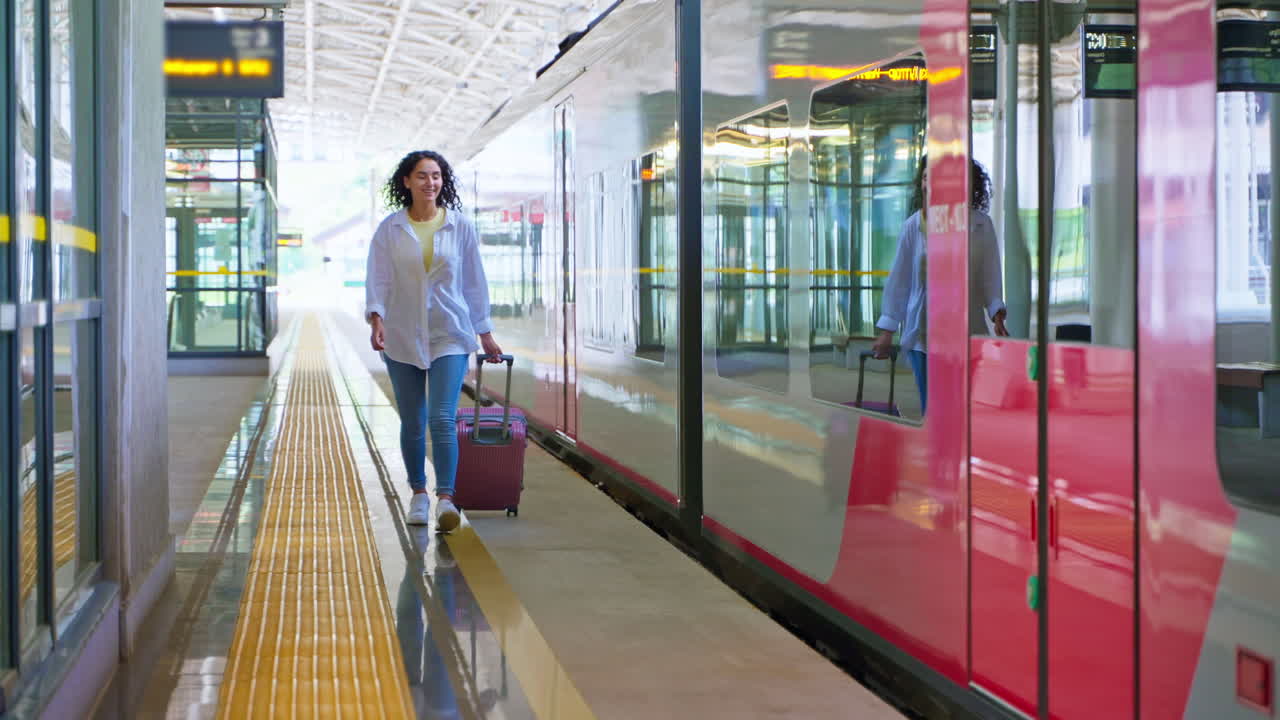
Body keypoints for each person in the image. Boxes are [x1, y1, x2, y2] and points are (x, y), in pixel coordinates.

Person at [366, 150, 504, 531]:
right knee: (412, 420)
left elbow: (474, 282)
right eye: (423, 176)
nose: (431, 182)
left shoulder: (460, 227)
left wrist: (484, 331)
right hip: (402, 333)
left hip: (450, 332)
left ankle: (446, 498)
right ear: (407, 181)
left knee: (442, 417)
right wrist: (377, 318)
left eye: (437, 176)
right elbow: (378, 279)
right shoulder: (390, 229)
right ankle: (418, 495)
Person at [871, 157, 1009, 415]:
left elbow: (990, 275)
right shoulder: (913, 227)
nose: (928, 183)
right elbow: (899, 280)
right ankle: (938, 453)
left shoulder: (980, 225)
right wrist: (888, 329)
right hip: (925, 337)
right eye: (924, 177)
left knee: (965, 408)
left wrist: (996, 311)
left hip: (967, 332)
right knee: (934, 411)